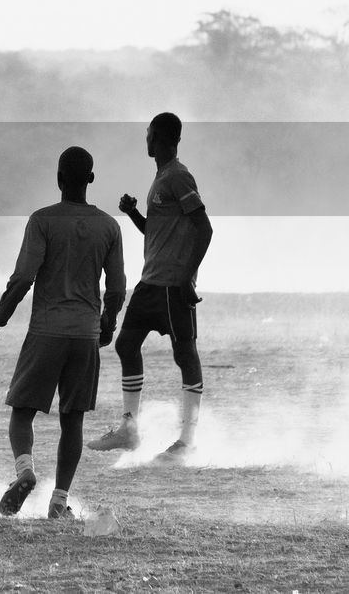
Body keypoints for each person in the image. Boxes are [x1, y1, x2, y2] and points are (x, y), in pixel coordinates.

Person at [0, 147, 126, 519]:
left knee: (21, 412)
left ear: (59, 179)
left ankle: (26, 472)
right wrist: (107, 324)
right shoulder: (109, 227)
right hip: (85, 335)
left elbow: (23, 278)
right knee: (73, 421)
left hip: (46, 331)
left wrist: (0, 316)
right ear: (90, 180)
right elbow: (116, 288)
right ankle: (59, 502)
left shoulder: (42, 221)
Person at [88, 112, 214, 464]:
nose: (146, 139)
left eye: (149, 134)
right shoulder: (160, 177)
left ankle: (187, 442)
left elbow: (204, 229)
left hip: (174, 284)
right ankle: (129, 429)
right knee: (126, 344)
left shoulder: (178, 175)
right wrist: (132, 214)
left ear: (161, 139)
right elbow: (160, 232)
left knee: (184, 354)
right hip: (150, 281)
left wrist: (188, 277)